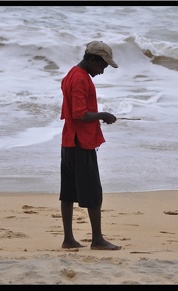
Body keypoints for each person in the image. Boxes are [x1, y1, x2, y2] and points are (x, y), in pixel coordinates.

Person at [59, 40, 121, 250]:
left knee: (68, 193)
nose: (103, 71)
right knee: (94, 193)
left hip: (68, 141)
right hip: (80, 143)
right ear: (93, 60)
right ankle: (97, 240)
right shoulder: (80, 79)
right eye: (102, 65)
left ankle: (69, 239)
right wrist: (103, 115)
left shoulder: (70, 74)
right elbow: (79, 114)